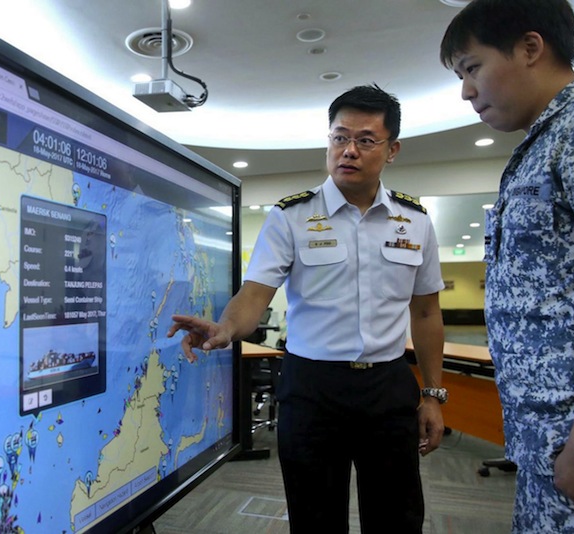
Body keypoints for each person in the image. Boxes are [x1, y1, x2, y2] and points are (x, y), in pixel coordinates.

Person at [167, 84, 446, 533]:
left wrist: (433, 394)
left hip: (388, 385)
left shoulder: (414, 220)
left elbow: (427, 313)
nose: (348, 151)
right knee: (314, 517)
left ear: (392, 150)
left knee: (397, 517)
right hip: (313, 388)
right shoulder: (290, 216)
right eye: (339, 138)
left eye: (365, 140)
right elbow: (255, 294)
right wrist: (225, 329)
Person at [440, 1, 574, 532]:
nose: (465, 90)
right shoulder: (541, 143)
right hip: (546, 443)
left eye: (471, 68)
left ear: (531, 48)